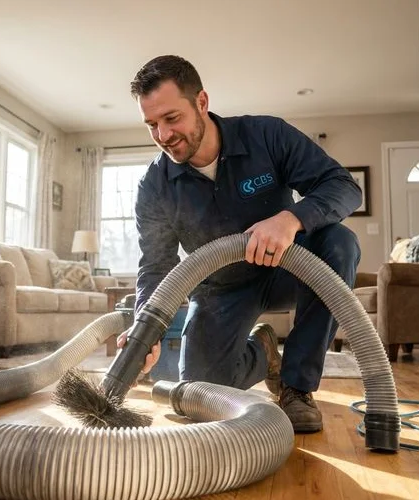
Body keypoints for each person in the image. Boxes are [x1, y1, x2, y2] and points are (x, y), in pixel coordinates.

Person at [121, 55, 362, 433]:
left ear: (201, 102)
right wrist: (145, 329)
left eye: (171, 119)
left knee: (339, 244)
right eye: (151, 124)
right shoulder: (155, 185)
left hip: (287, 268)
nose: (163, 136)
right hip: (220, 288)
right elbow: (156, 264)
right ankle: (263, 352)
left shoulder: (266, 136)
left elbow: (344, 187)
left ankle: (297, 386)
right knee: (203, 392)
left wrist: (291, 219)